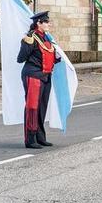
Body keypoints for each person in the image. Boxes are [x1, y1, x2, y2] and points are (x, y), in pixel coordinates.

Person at [17, 11, 60, 149]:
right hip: (33, 75)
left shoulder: (46, 38)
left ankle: (40, 137)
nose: (49, 24)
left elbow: (48, 58)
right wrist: (25, 43)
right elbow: (21, 58)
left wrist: (57, 57)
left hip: (46, 76)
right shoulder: (31, 38)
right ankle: (30, 139)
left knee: (42, 108)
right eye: (46, 22)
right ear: (38, 23)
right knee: (32, 107)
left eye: (48, 22)